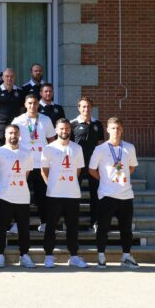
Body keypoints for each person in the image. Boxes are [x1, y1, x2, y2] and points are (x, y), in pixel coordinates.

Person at [89, 117, 140, 269]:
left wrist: (121, 179)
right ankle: (101, 256)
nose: (116, 131)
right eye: (113, 128)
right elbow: (91, 170)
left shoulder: (129, 148)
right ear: (107, 130)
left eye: (118, 128)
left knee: (126, 229)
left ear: (122, 130)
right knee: (103, 227)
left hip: (125, 195)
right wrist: (105, 179)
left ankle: (126, 256)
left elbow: (131, 167)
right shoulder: (100, 149)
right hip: (107, 194)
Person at [41, 119, 88, 268]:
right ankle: (48, 255)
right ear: (56, 130)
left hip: (72, 194)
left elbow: (78, 170)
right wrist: (52, 184)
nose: (64, 131)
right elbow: (44, 170)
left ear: (70, 130)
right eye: (61, 128)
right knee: (51, 227)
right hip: (54, 194)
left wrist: (68, 182)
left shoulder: (77, 148)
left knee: (72, 227)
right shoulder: (48, 148)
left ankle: (73, 256)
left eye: (67, 128)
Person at [0, 125, 36, 268]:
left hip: (22, 197)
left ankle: (24, 255)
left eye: (15, 133)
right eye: (10, 133)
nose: (13, 135)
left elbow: (27, 173)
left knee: (24, 229)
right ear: (5, 134)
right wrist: (5, 185)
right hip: (5, 196)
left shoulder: (26, 153)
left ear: (19, 134)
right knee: (1, 229)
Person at [13, 94, 56, 232]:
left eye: (35, 103)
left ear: (39, 104)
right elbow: (13, 142)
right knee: (20, 194)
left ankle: (45, 223)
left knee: (42, 196)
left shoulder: (46, 120)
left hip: (41, 164)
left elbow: (52, 141)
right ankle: (16, 224)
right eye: (29, 103)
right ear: (25, 104)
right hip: (24, 165)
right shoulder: (18, 121)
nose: (32, 106)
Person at [71, 96, 104, 230]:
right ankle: (72, 223)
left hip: (93, 165)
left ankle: (94, 222)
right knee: (74, 194)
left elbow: (101, 145)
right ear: (79, 108)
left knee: (95, 194)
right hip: (76, 165)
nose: (86, 109)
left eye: (89, 106)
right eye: (83, 106)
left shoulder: (98, 124)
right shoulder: (72, 124)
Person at [0, 68, 25, 146]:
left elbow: (22, 109)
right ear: (3, 78)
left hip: (15, 126)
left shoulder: (20, 92)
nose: (9, 78)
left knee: (15, 148)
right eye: (7, 76)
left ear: (14, 78)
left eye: (11, 76)